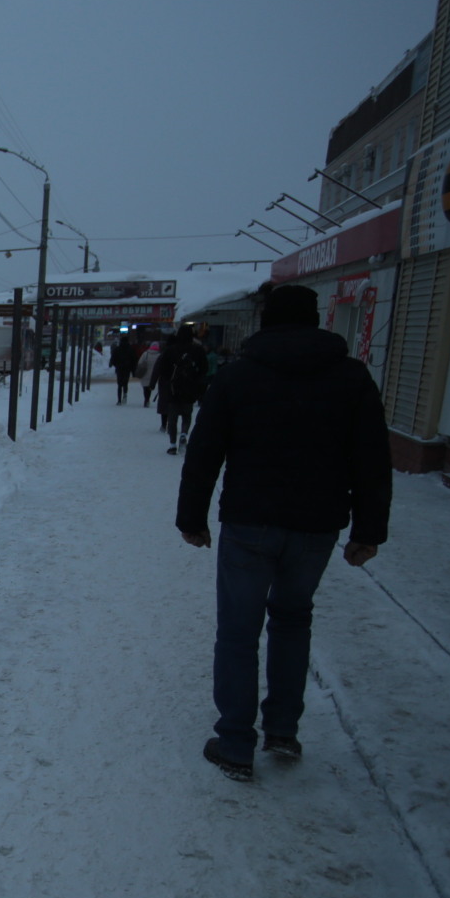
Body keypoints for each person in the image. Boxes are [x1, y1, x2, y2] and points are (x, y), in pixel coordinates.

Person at [176, 283, 392, 782]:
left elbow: (205, 452)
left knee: (238, 631)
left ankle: (235, 742)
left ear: (267, 321)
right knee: (293, 621)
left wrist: (192, 518)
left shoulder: (238, 376)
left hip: (249, 522)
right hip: (317, 526)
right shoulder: (352, 378)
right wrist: (369, 530)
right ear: (316, 320)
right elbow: (372, 459)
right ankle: (282, 730)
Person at [154, 326, 209, 454]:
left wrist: (169, 380)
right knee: (186, 414)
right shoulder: (198, 350)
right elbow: (204, 369)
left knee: (172, 418)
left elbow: (163, 369)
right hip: (190, 389)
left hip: (173, 389)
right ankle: (184, 434)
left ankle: (172, 444)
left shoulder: (171, 350)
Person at [108, 336, 138, 404]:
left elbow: (113, 358)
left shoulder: (117, 349)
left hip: (119, 368)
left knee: (119, 384)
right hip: (127, 369)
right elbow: (134, 360)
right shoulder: (131, 349)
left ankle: (119, 400)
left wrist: (113, 364)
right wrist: (133, 370)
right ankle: (125, 395)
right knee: (125, 383)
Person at [135, 340, 162, 406]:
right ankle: (148, 399)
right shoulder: (159, 355)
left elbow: (140, 362)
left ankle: (146, 399)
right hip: (154, 374)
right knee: (150, 386)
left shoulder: (145, 354)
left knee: (145, 388)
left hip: (145, 373)